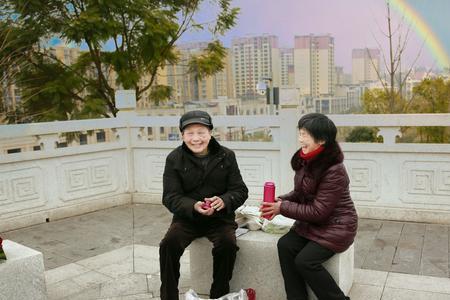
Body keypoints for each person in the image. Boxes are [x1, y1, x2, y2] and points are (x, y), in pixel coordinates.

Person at [260, 113, 357, 300]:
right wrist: (278, 201)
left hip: (337, 226)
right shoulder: (306, 159)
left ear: (321, 140)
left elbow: (319, 212)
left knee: (305, 261)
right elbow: (300, 194)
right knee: (285, 245)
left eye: (305, 135)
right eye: (300, 133)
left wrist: (282, 208)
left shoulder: (334, 170)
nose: (300, 139)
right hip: (312, 225)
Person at [159, 110, 249, 300]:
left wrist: (224, 201)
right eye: (190, 133)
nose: (196, 138)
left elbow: (240, 190)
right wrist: (193, 206)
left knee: (227, 245)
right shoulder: (174, 159)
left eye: (201, 132)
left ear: (210, 132)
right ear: (182, 135)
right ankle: (168, 296)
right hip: (187, 218)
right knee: (168, 244)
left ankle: (218, 294)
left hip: (220, 218)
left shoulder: (227, 156)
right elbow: (170, 196)